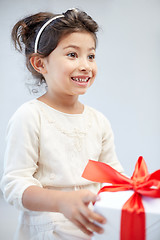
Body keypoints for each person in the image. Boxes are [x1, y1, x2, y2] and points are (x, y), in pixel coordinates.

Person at [0, 8, 124, 240]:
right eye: (72, 55)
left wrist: (137, 190)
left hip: (92, 230)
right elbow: (15, 185)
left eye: (91, 56)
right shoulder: (30, 116)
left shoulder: (98, 121)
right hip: (46, 231)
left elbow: (113, 175)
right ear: (40, 64)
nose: (86, 65)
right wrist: (62, 201)